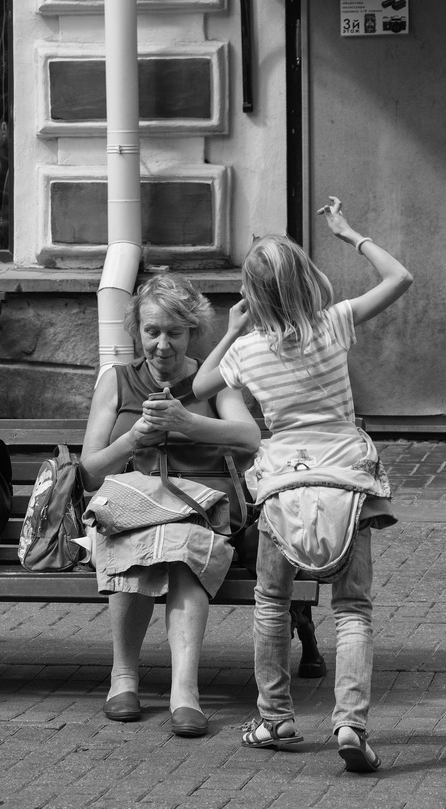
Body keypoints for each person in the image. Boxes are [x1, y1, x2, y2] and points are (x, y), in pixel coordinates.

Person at [192, 196, 413, 772]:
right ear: (303, 277)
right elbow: (400, 277)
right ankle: (350, 724)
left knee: (271, 601)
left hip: (283, 485)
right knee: (353, 610)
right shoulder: (334, 323)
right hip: (346, 479)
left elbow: (198, 384)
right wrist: (348, 232)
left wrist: (232, 328)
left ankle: (275, 718)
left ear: (255, 292)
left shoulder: (245, 351)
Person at [78, 273, 261, 738]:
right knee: (134, 539)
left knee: (180, 546)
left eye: (174, 333)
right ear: (136, 331)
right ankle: (123, 678)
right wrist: (131, 440)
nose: (162, 345)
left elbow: (249, 437)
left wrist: (186, 423)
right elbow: (90, 470)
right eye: (152, 331)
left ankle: (185, 691)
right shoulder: (116, 381)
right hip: (135, 505)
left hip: (201, 508)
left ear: (192, 332)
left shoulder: (213, 380)